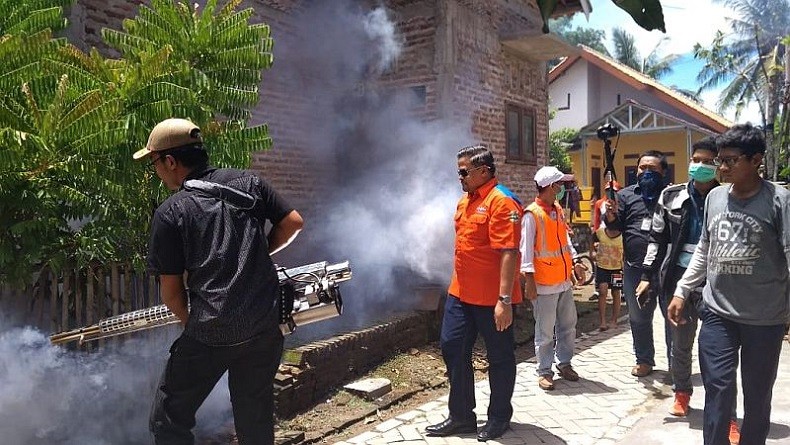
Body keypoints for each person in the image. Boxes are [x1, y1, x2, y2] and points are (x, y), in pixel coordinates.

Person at [135, 118, 304, 444]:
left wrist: (197, 326)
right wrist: (260, 253)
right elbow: (293, 223)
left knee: (168, 419)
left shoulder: (171, 213)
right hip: (264, 325)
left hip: (210, 332)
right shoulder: (251, 183)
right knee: (254, 416)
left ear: (170, 161)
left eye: (154, 161)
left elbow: (172, 296)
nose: (155, 170)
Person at [672, 123, 790, 445]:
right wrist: (683, 289)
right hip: (717, 313)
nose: (721, 167)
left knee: (757, 396)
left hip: (764, 319)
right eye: (720, 160)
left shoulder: (780, 201)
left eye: (730, 160)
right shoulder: (715, 198)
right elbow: (705, 249)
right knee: (718, 391)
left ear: (756, 160)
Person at [635, 137, 739, 441]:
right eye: (697, 159)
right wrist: (646, 275)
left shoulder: (729, 196)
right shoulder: (670, 196)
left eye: (709, 161)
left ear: (718, 164)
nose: (701, 166)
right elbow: (656, 239)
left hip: (717, 283)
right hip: (677, 282)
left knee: (720, 353)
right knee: (679, 344)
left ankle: (727, 415)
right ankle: (681, 392)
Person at [426, 144, 523, 442]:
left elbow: (508, 252)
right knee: (452, 347)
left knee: (500, 357)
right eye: (459, 171)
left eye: (464, 171)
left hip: (493, 298)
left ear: (484, 171)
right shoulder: (463, 202)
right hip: (461, 293)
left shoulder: (502, 202)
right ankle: (461, 416)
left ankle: (498, 417)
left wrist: (504, 301)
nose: (460, 177)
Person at [604, 150, 671, 377]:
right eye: (643, 168)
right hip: (634, 268)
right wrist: (611, 215)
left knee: (672, 317)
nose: (646, 173)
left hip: (667, 270)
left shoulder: (672, 196)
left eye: (652, 169)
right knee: (638, 317)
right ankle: (644, 359)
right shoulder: (624, 196)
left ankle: (676, 364)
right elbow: (613, 232)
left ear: (664, 171)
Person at [520, 166, 580, 391]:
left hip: (563, 280)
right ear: (550, 186)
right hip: (544, 283)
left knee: (568, 325)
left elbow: (565, 240)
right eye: (560, 184)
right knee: (545, 331)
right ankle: (544, 371)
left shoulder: (557, 210)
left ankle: (564, 363)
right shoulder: (531, 214)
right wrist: (530, 283)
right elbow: (525, 252)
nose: (563, 187)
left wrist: (575, 263)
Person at [591, 224, 623, 331]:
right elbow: (592, 238)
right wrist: (592, 253)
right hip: (602, 267)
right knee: (602, 291)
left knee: (616, 292)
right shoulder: (600, 232)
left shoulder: (623, 235)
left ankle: (614, 320)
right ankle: (603, 321)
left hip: (617, 268)